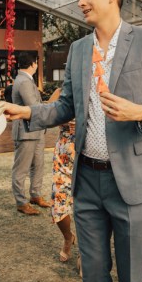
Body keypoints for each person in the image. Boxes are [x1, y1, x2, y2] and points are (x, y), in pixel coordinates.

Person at [4, 0, 142, 282]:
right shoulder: (79, 49)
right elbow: (66, 107)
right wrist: (26, 111)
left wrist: (140, 111)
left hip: (130, 176)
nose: (80, 2)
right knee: (94, 274)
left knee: (130, 274)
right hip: (85, 179)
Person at [11, 53, 51, 215]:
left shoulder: (26, 80)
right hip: (26, 131)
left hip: (36, 130)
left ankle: (35, 195)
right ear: (33, 64)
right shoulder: (24, 81)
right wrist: (51, 108)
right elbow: (33, 106)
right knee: (22, 168)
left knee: (38, 165)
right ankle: (21, 202)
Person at [47, 88, 78, 267]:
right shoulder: (61, 92)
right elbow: (48, 115)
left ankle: (85, 254)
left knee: (86, 209)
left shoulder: (94, 90)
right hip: (63, 157)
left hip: (87, 153)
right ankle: (68, 237)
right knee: (59, 206)